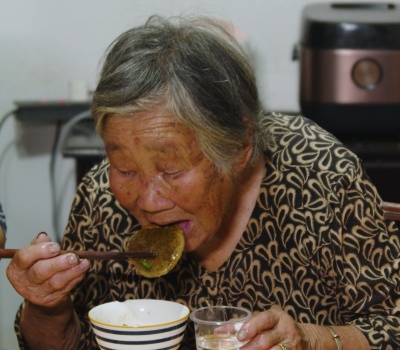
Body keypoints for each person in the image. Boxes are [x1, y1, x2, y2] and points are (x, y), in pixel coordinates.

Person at [7, 15, 400, 350]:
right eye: (125, 169)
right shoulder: (100, 197)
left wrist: (310, 339)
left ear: (240, 147)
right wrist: (47, 307)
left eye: (172, 170)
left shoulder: (321, 177)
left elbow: (391, 327)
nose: (148, 200)